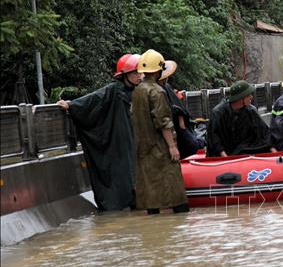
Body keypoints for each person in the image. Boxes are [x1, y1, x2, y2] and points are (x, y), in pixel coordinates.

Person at [56, 53, 141, 211]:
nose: (138, 76)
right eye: (134, 72)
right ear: (124, 75)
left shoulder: (140, 91)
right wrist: (72, 105)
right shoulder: (113, 90)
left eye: (139, 72)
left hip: (134, 141)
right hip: (119, 142)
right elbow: (93, 99)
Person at [131, 49, 189, 215]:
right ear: (158, 71)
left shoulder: (137, 91)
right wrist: (172, 146)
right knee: (175, 190)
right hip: (160, 148)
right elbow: (163, 121)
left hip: (144, 149)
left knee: (151, 193)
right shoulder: (157, 91)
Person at [207, 80, 276, 157]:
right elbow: (215, 139)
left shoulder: (251, 110)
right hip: (227, 153)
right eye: (249, 95)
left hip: (245, 150)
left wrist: (273, 150)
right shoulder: (218, 113)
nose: (251, 97)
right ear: (241, 98)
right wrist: (225, 158)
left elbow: (264, 132)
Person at [158, 60, 205, 159]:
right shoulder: (160, 91)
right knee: (194, 146)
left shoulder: (162, 89)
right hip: (177, 130)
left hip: (177, 130)